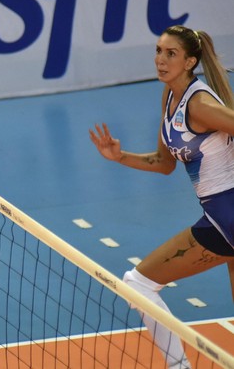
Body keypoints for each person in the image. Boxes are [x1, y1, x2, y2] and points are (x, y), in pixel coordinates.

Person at [90, 25, 234, 369]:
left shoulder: (199, 104)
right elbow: (163, 163)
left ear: (190, 62)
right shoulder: (171, 97)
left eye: (170, 54)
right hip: (220, 214)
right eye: (158, 51)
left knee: (137, 283)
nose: (160, 60)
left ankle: (178, 366)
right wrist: (119, 157)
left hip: (225, 218)